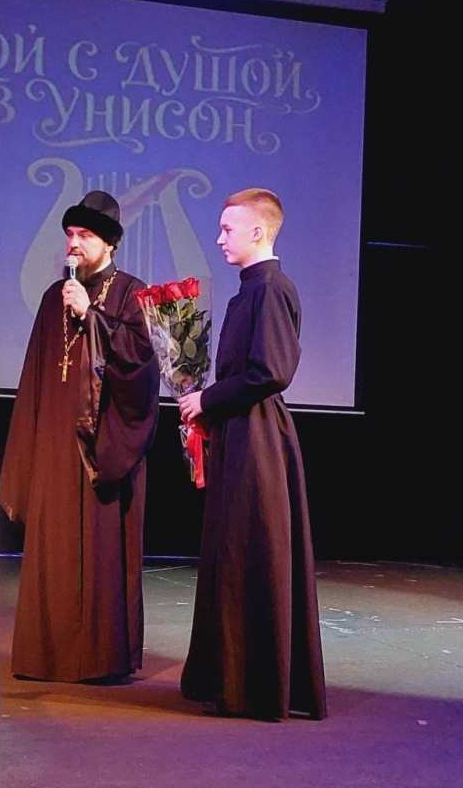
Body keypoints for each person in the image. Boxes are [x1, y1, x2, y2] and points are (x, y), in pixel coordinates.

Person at [0, 191, 160, 682]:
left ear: (109, 243)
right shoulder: (55, 296)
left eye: (84, 235)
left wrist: (93, 316)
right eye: (69, 234)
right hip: (55, 440)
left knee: (97, 550)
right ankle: (46, 655)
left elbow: (141, 368)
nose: (73, 243)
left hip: (100, 446)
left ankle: (97, 658)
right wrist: (29, 446)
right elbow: (37, 372)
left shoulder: (131, 294)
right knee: (54, 546)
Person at [177, 188, 327, 720]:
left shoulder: (271, 289)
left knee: (252, 552)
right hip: (241, 432)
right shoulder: (249, 291)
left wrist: (208, 399)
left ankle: (257, 686)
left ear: (258, 232)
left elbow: (271, 371)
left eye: (227, 229)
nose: (219, 238)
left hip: (259, 438)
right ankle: (231, 679)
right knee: (233, 550)